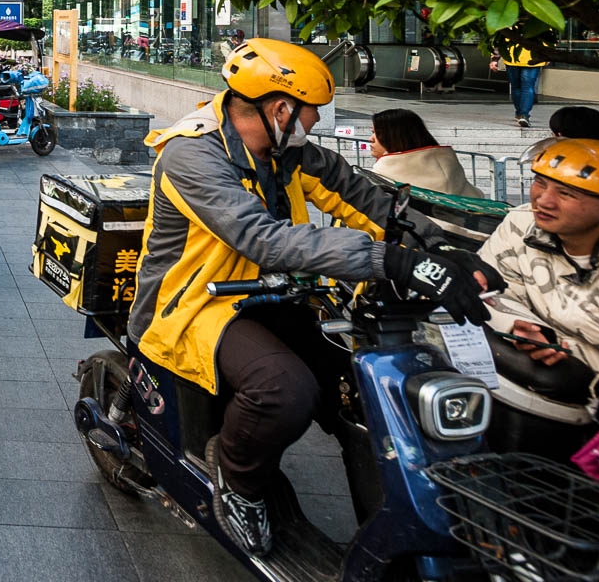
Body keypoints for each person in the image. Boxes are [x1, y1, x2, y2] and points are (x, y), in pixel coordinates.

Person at [127, 38, 500, 556]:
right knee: (285, 389)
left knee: (359, 387)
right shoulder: (192, 154)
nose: (316, 123)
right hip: (193, 305)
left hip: (274, 296)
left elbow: (366, 199)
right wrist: (389, 261)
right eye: (312, 113)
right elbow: (262, 238)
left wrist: (437, 249)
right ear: (281, 109)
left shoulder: (290, 152)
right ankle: (236, 482)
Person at [479, 139, 599, 411]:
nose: (543, 201)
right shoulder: (520, 224)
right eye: (540, 183)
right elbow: (489, 287)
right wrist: (518, 325)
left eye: (567, 193)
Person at [369, 107, 484, 197]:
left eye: (377, 133)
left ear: (395, 137)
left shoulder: (383, 173)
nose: (371, 138)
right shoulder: (449, 164)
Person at [492, 32, 549, 129]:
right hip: (524, 58)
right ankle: (522, 114)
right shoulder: (537, 22)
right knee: (525, 86)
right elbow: (548, 38)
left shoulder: (509, 21)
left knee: (520, 86)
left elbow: (498, 40)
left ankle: (522, 114)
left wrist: (494, 59)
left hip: (517, 58)